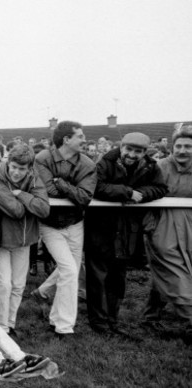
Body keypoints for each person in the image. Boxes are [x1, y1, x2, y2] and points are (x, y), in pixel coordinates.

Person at [85, 132, 167, 336]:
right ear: (121, 147)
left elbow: (160, 188)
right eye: (128, 149)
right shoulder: (105, 162)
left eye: (137, 151)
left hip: (129, 230)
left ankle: (113, 319)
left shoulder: (151, 166)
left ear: (144, 152)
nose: (131, 155)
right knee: (98, 277)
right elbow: (96, 187)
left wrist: (142, 195)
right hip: (101, 227)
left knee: (118, 276)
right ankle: (99, 323)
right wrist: (127, 192)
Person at [31, 121, 97, 338]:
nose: (84, 139)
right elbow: (47, 190)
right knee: (69, 270)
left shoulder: (88, 163)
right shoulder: (42, 159)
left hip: (75, 222)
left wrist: (63, 184)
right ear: (66, 139)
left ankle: (51, 310)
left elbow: (85, 197)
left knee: (70, 271)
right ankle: (65, 327)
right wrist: (70, 189)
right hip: (49, 223)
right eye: (80, 135)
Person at [0, 145, 50, 335]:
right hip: (2, 240)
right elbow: (16, 210)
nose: (16, 172)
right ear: (8, 162)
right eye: (13, 167)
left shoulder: (34, 177)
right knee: (4, 283)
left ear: (29, 168)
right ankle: (1, 327)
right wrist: (27, 202)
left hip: (24, 239)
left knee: (18, 284)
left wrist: (21, 194)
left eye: (21, 169)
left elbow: (44, 209)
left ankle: (11, 324)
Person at [142, 124, 192, 344]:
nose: (183, 151)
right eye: (178, 146)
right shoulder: (160, 166)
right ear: (172, 148)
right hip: (161, 223)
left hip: (189, 224)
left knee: (175, 269)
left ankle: (150, 316)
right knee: (172, 270)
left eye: (188, 147)